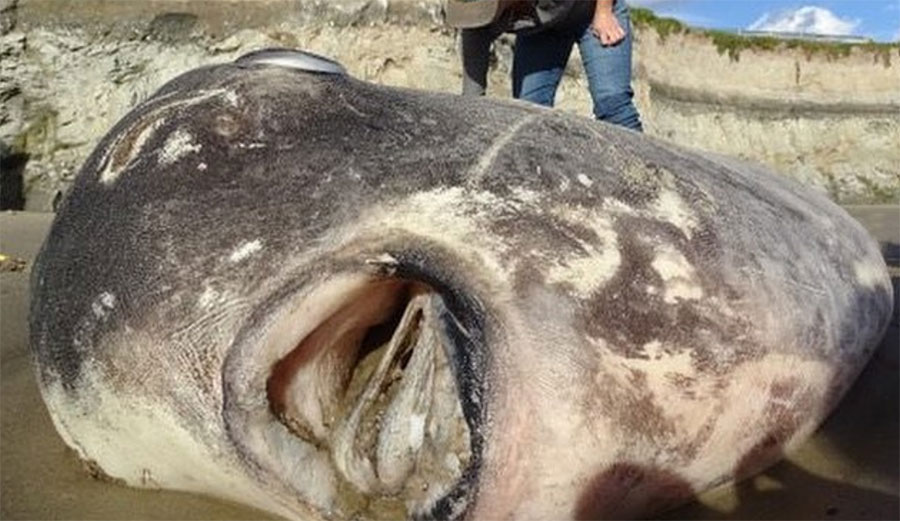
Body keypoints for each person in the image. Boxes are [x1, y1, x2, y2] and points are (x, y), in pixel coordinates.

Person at [447, 0, 642, 132]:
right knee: (528, 114)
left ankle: (650, 184)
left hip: (592, 12)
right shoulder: (476, 19)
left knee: (613, 103)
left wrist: (604, 12)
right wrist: (469, 117)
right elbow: (471, 96)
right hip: (543, 28)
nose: (484, 16)